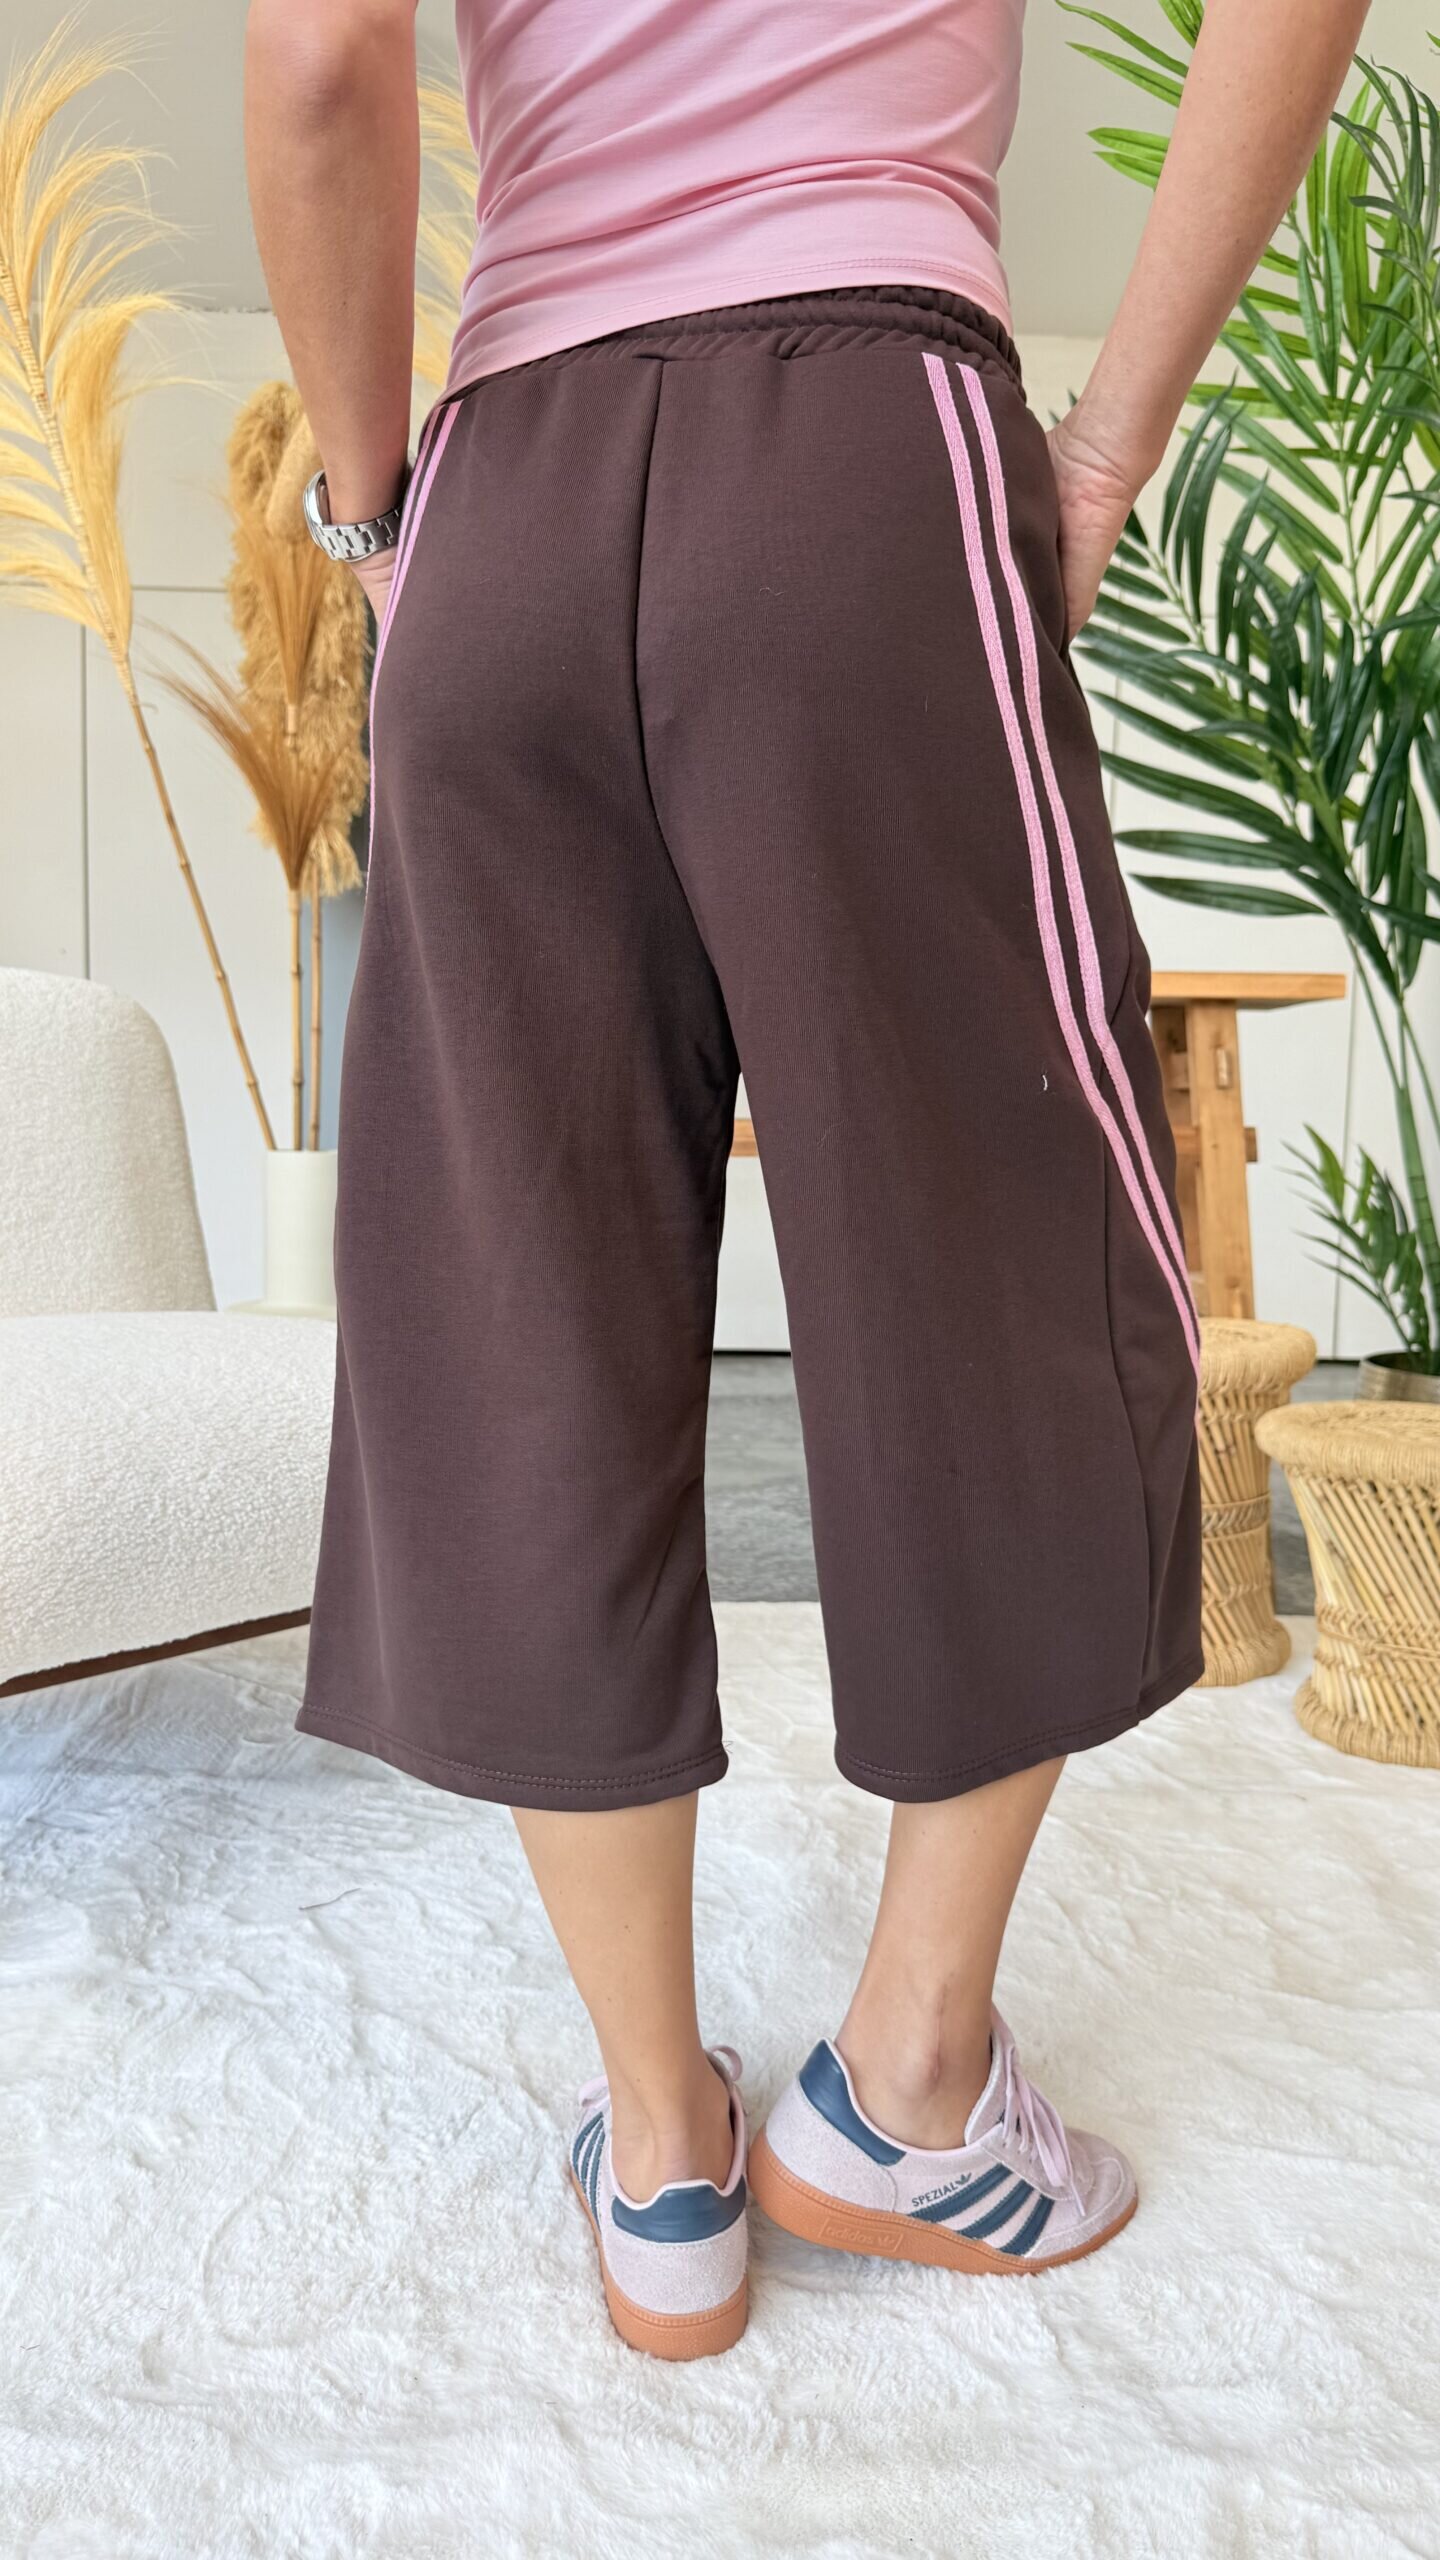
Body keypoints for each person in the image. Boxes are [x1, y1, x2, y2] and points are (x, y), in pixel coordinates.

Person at [245, 0, 1370, 2360]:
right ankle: (912, 2082)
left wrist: (376, 516)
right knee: (1014, 1247)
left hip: (506, 488)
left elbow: (324, 63)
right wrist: (1105, 440)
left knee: (517, 1298)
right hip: (862, 419)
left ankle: (662, 2145)